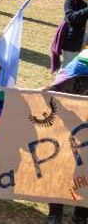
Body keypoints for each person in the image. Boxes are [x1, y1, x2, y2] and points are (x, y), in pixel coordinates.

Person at [46, 56, 88, 224]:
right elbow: (57, 89)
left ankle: (81, 214)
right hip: (69, 125)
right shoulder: (83, 60)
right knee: (62, 167)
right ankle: (55, 212)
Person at [61, 0, 88, 65]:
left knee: (82, 69)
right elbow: (71, 17)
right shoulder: (71, 0)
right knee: (67, 68)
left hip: (86, 41)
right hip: (73, 40)